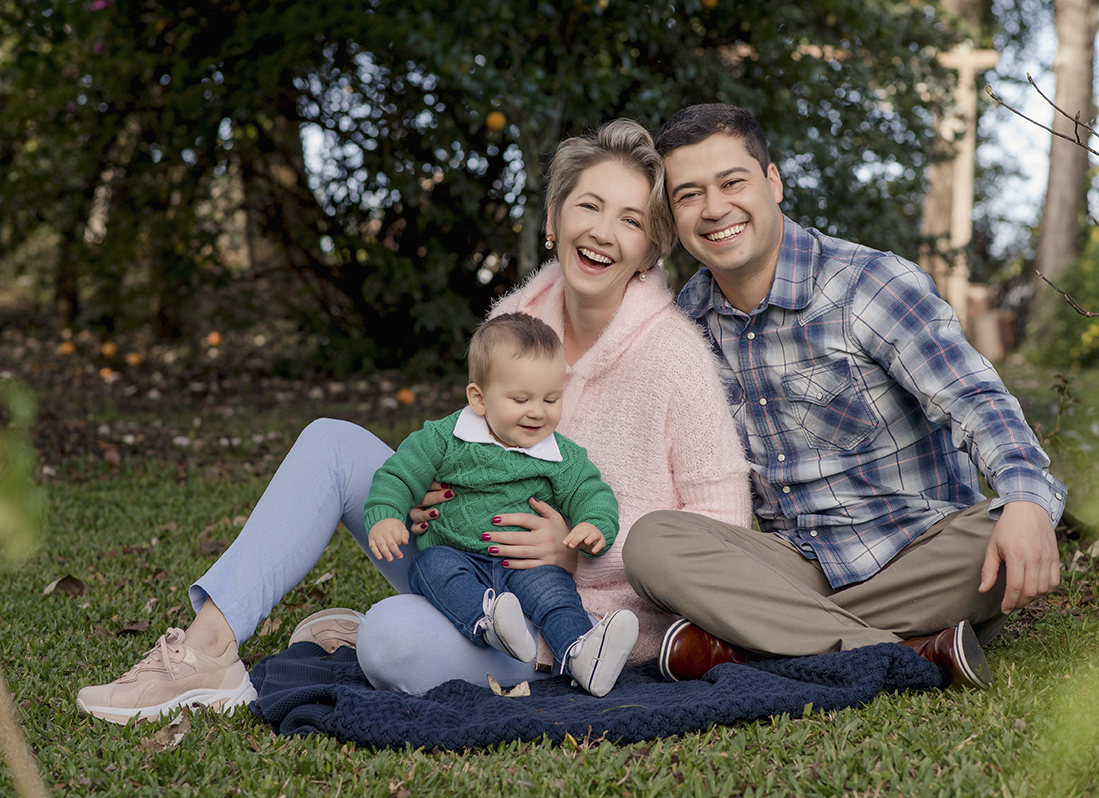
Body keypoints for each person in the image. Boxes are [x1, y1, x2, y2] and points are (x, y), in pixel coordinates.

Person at [76, 118, 752, 724]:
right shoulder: (515, 321)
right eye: (590, 205)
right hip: (462, 559)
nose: (604, 231)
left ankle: (398, 633)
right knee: (332, 443)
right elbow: (467, 438)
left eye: (631, 220)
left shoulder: (675, 357)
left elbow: (723, 533)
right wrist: (433, 488)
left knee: (388, 640)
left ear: (650, 250)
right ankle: (207, 653)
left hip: (568, 626)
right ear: (554, 218)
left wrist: (581, 546)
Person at [623, 104, 1068, 689]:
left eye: (732, 182)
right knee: (652, 544)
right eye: (689, 195)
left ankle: (760, 642)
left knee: (994, 536)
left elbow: (976, 399)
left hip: (921, 554)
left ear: (773, 181)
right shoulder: (687, 324)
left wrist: (1026, 501)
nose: (714, 208)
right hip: (794, 566)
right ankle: (906, 651)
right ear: (672, 214)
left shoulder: (869, 284)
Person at [365, 312, 638, 697]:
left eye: (551, 399)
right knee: (432, 567)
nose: (538, 411)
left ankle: (582, 654)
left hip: (526, 564)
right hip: (458, 555)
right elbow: (399, 474)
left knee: (555, 595)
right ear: (479, 398)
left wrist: (596, 523)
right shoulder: (444, 439)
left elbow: (591, 491)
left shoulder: (561, 456)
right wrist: (385, 515)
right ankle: (486, 622)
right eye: (521, 399)